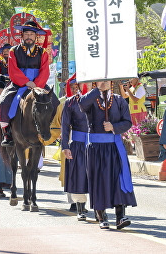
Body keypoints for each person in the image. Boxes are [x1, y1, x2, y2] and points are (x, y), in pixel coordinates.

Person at [79, 81, 136, 230]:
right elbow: (82, 105)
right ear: (95, 83)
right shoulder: (91, 99)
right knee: (99, 181)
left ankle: (120, 216)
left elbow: (127, 122)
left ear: (111, 83)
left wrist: (114, 127)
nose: (104, 83)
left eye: (106, 81)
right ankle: (101, 216)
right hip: (96, 148)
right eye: (100, 80)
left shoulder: (119, 100)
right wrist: (97, 90)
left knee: (118, 180)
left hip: (114, 147)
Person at [0, 21, 50, 146]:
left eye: (31, 34)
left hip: (38, 84)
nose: (29, 37)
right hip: (18, 83)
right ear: (22, 36)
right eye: (26, 34)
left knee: (51, 101)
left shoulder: (42, 52)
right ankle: (7, 133)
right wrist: (26, 82)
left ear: (36, 37)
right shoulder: (14, 51)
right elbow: (13, 70)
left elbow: (45, 71)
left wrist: (36, 84)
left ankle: (50, 129)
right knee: (2, 102)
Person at [61, 76, 90, 221]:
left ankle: (100, 209)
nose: (75, 88)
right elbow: (65, 126)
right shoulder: (70, 103)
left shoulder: (101, 101)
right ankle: (80, 208)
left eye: (78, 85)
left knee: (98, 177)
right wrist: (65, 146)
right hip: (78, 144)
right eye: (72, 86)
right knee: (79, 177)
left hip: (97, 144)